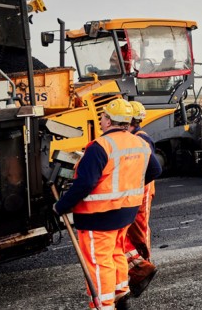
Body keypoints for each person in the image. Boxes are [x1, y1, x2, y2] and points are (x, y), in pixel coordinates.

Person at [54, 99, 161, 310]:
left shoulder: (100, 146)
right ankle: (121, 294)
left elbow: (85, 183)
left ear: (110, 120)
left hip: (98, 216)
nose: (100, 121)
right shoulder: (139, 142)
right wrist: (131, 187)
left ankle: (103, 305)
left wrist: (61, 205)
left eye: (102, 117)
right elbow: (155, 170)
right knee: (116, 253)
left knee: (98, 262)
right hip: (126, 212)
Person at [124, 101, 158, 298]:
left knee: (140, 231)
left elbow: (151, 168)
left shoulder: (141, 138)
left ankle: (144, 266)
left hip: (141, 190)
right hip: (136, 189)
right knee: (133, 231)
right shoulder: (135, 136)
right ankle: (141, 267)